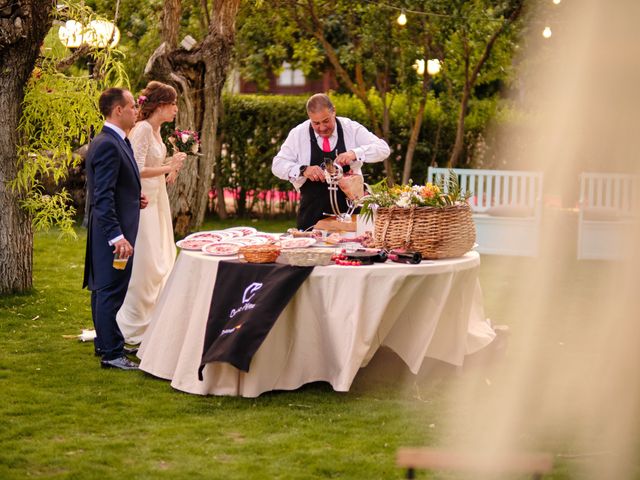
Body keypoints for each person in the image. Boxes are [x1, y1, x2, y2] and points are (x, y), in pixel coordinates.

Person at [116, 81, 186, 346]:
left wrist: (172, 168)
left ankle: (154, 319)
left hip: (158, 200)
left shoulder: (157, 130)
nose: (176, 109)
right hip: (142, 202)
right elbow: (136, 168)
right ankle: (132, 325)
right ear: (161, 105)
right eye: (173, 104)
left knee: (160, 259)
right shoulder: (143, 129)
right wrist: (168, 167)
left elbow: (156, 169)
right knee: (146, 263)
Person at [83, 88, 148, 370]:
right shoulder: (109, 143)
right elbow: (102, 196)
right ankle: (112, 354)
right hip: (112, 233)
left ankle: (106, 344)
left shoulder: (114, 140)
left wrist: (135, 198)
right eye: (132, 106)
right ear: (118, 110)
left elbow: (115, 186)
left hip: (112, 227)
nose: (136, 111)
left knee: (104, 290)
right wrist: (117, 236)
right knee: (110, 290)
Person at [272, 93, 390, 230]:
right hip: (312, 212)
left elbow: (383, 149)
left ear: (334, 111)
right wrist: (303, 170)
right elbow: (277, 165)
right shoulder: (298, 134)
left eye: (326, 121)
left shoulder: (351, 128)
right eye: (316, 123)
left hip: (351, 211)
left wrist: (354, 153)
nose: (322, 128)